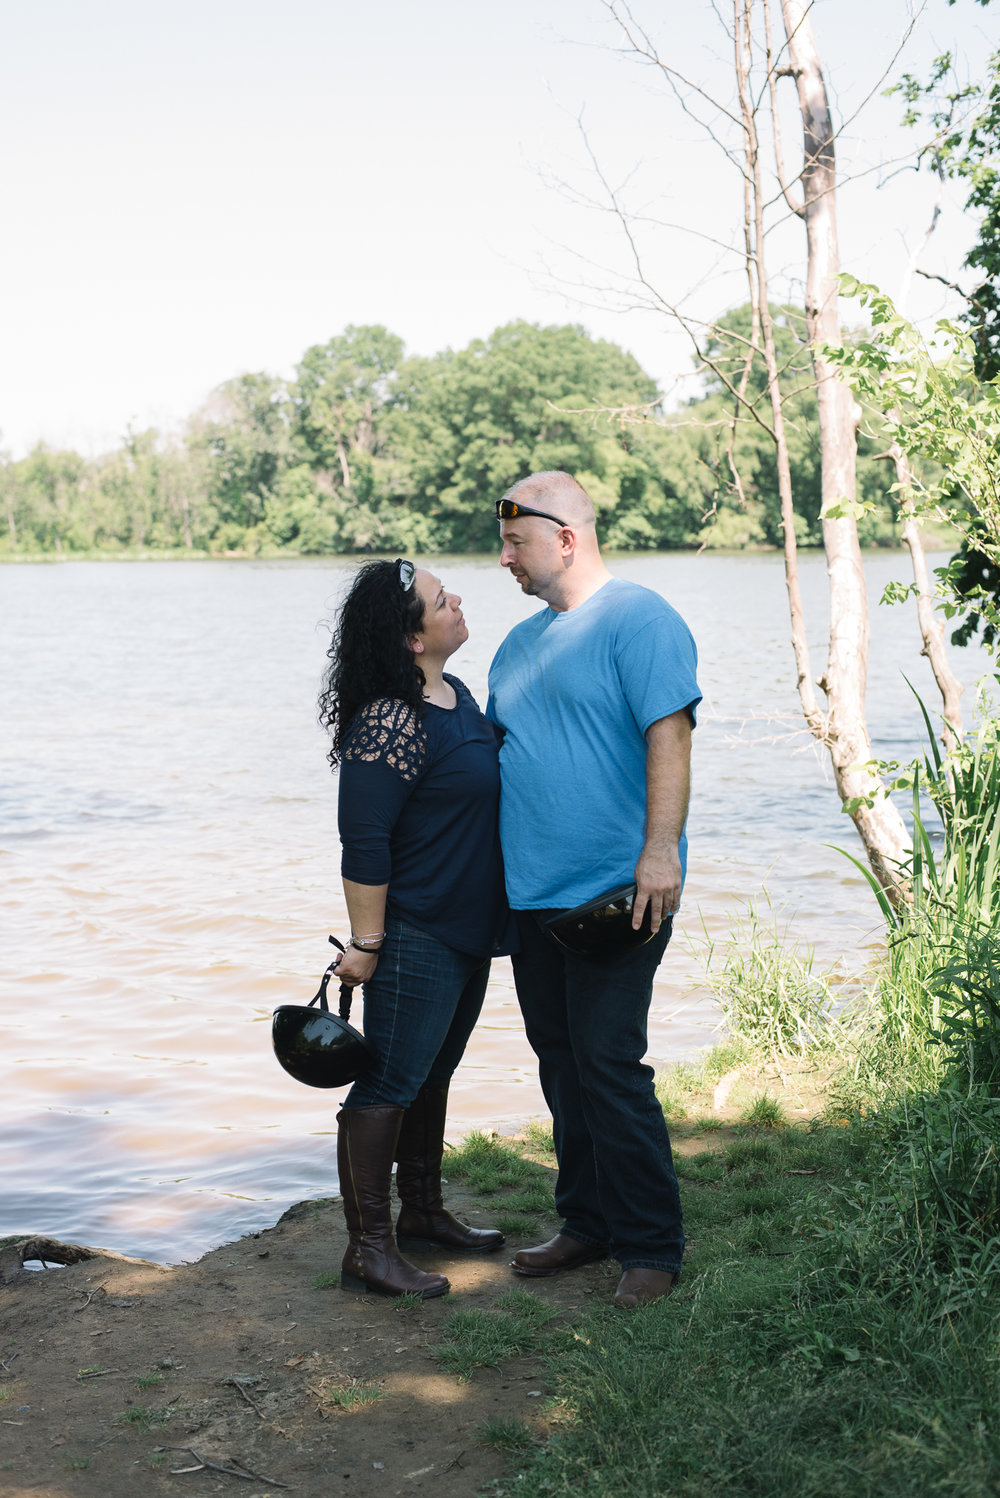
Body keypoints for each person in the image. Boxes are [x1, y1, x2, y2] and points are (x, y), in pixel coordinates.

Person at [486, 472, 700, 1310]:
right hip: (531, 897)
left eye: (514, 541)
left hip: (619, 893)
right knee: (561, 1062)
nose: (503, 557)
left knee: (609, 1064)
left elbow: (669, 736)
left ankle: (651, 1246)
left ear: (565, 539)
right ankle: (586, 1222)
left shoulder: (640, 619)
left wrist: (659, 852)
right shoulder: (515, 644)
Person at [318, 558, 512, 1300]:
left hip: (468, 931)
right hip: (416, 934)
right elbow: (363, 841)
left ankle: (424, 1212)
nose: (456, 598)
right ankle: (369, 1249)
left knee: (432, 1074)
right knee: (387, 1085)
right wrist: (368, 944)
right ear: (410, 639)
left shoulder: (456, 695)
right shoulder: (389, 720)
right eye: (440, 599)